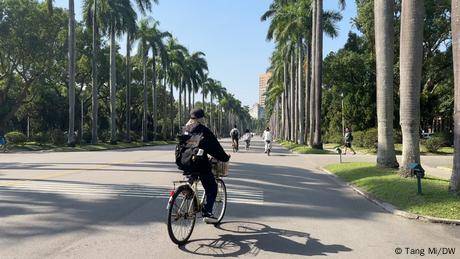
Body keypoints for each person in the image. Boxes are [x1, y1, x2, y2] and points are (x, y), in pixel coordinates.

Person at [182, 108, 231, 223]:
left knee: (193, 174)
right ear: (201, 118)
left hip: (184, 162)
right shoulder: (203, 130)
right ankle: (207, 212)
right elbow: (215, 147)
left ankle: (187, 186)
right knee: (212, 188)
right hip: (199, 163)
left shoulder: (185, 129)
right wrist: (224, 157)